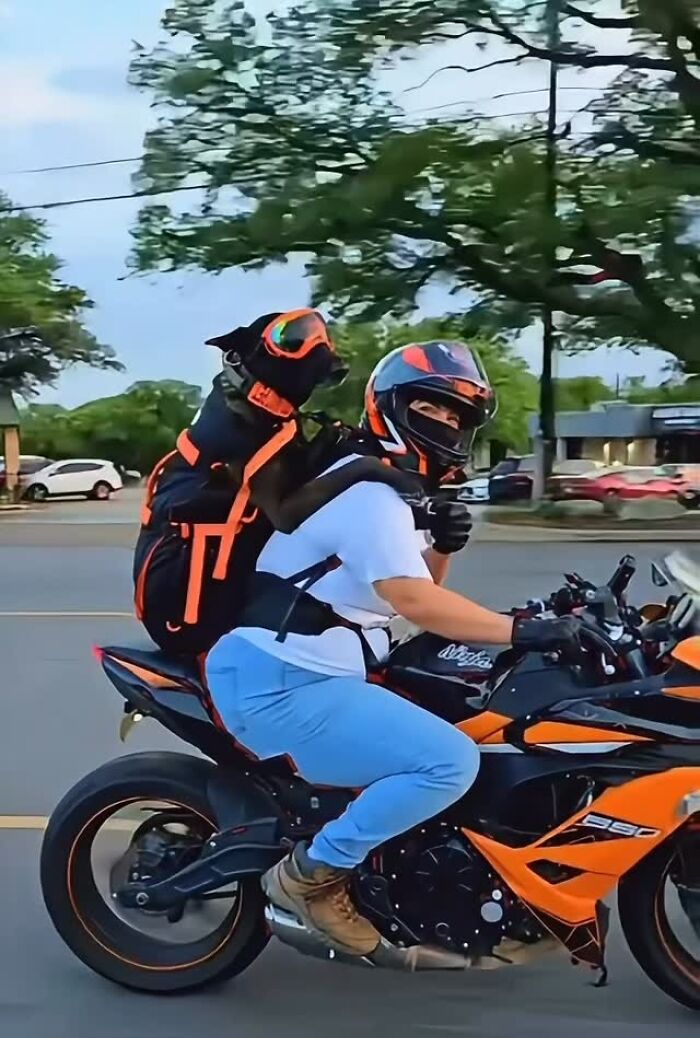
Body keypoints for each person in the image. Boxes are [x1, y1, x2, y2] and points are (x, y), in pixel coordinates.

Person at [205, 340, 580, 958]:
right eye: (434, 409)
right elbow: (416, 604)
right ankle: (311, 877)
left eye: (459, 417)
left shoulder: (387, 491)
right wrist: (521, 630)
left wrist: (444, 545)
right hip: (281, 681)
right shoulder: (369, 496)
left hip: (318, 671)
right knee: (448, 762)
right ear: (393, 408)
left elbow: (412, 589)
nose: (448, 426)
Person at [134, 309, 418, 656]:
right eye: (294, 337)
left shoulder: (269, 415)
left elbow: (295, 478)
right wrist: (369, 468)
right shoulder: (236, 426)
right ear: (242, 353)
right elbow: (284, 513)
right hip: (192, 623)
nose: (315, 343)